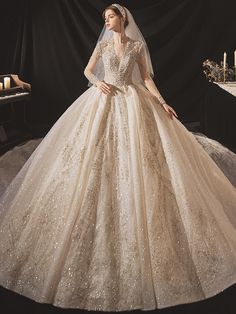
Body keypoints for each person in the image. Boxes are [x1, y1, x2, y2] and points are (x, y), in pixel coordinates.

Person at [0, 3, 236, 312]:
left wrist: (163, 103)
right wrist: (98, 82)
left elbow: (146, 78)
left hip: (133, 101)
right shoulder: (101, 45)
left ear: (121, 18)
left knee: (146, 160)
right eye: (105, 18)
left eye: (110, 17)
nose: (107, 21)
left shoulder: (136, 46)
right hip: (103, 99)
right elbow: (87, 69)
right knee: (88, 157)